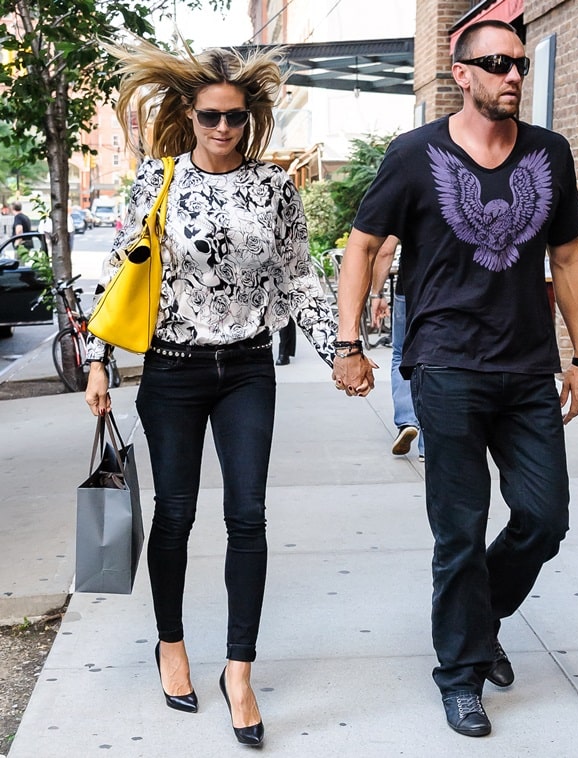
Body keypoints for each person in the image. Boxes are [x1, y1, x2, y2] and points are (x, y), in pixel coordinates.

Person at [332, 20, 578, 738]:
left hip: (526, 368)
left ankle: (479, 620)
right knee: (460, 530)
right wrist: (348, 342)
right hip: (446, 366)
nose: (513, 74)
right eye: (498, 63)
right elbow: (361, 250)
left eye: (519, 64)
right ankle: (460, 676)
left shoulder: (550, 153)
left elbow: (568, 257)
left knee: (545, 520)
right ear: (463, 74)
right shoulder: (415, 156)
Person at [85, 37, 336, 748]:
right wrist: (99, 362)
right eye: (209, 117)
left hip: (249, 369)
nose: (223, 128)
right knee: (176, 515)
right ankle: (170, 644)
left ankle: (239, 670)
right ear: (188, 116)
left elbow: (300, 276)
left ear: (249, 118)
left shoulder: (274, 188)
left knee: (248, 516)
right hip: (171, 371)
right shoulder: (157, 181)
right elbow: (118, 274)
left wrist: (341, 350)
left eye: (234, 117)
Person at [369, 235, 424, 460]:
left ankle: (407, 421)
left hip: (408, 290)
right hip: (446, 292)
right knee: (435, 360)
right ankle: (428, 445)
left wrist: (377, 293)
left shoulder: (408, 199)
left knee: (402, 354)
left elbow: (385, 250)